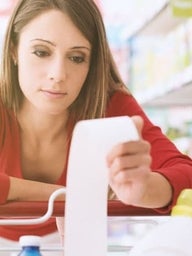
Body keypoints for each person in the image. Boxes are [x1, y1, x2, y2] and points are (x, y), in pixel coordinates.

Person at [0, 0, 192, 253]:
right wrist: (68, 195)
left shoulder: (108, 103)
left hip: (73, 240)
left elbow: (185, 173)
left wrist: (147, 188)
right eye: (41, 52)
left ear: (91, 65)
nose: (58, 74)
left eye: (77, 57)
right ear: (14, 50)